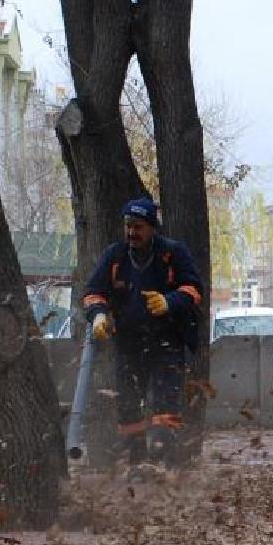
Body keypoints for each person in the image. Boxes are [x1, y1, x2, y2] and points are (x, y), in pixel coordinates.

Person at [82, 197, 203, 468]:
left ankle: (166, 465)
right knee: (127, 405)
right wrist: (98, 314)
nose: (131, 232)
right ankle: (136, 465)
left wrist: (169, 302)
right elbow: (93, 293)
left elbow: (194, 290)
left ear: (151, 227)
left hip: (167, 344)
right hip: (128, 344)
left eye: (138, 227)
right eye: (128, 226)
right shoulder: (115, 256)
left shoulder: (173, 253)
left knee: (166, 405)